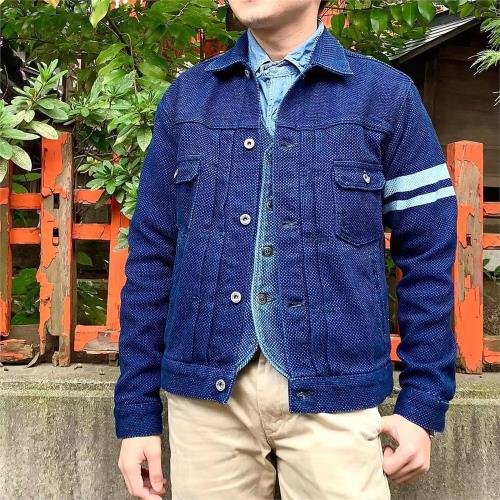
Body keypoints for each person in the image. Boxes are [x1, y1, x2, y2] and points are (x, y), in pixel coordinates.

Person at [114, 1, 459, 498]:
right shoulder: (188, 99)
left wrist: (422, 404)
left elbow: (428, 259)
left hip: (337, 397)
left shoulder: (385, 97)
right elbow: (151, 259)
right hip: (206, 403)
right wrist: (137, 414)